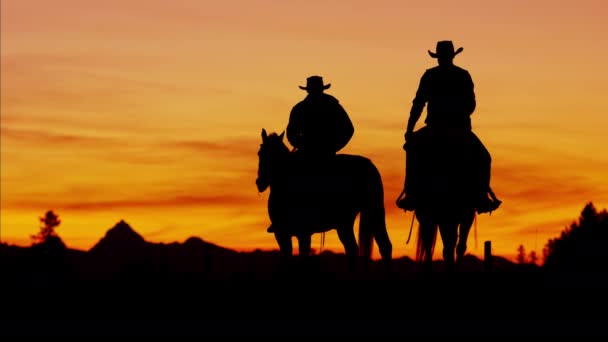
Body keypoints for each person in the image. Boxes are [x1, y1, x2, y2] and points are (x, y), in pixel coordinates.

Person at [397, 40, 501, 214]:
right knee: (483, 157)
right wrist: (409, 129)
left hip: (445, 128)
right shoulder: (457, 75)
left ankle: (411, 194)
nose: (442, 60)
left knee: (414, 149)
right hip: (454, 129)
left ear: (445, 57)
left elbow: (418, 104)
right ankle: (481, 197)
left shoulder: (442, 76)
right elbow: (471, 104)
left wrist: (410, 129)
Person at [267, 75, 354, 233]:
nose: (314, 93)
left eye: (316, 90)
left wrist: (334, 145)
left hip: (325, 152)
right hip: (308, 152)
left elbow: (348, 129)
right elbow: (291, 132)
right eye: (313, 90)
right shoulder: (301, 108)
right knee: (285, 177)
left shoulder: (329, 106)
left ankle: (332, 212)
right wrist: (299, 144)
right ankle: (281, 218)